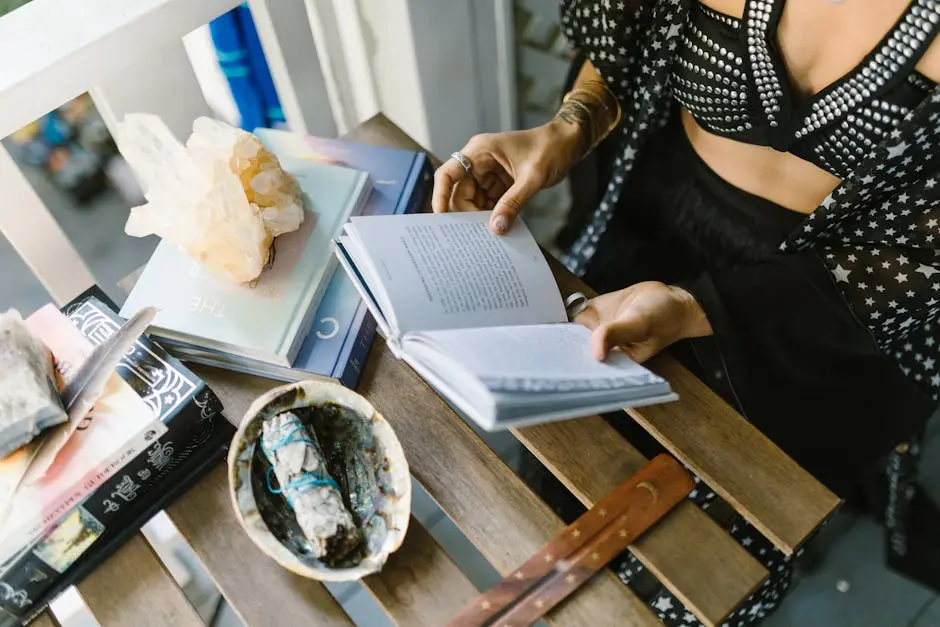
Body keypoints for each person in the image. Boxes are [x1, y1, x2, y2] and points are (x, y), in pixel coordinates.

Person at [431, 1, 940, 624]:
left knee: (705, 567)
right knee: (563, 467)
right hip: (649, 234)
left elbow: (924, 261)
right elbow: (624, 52)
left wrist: (703, 307)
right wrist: (571, 127)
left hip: (822, 312)